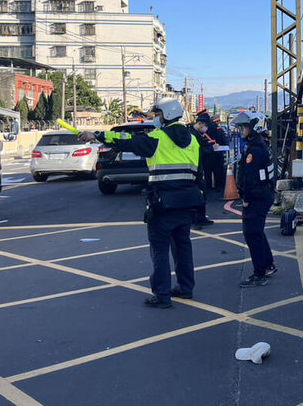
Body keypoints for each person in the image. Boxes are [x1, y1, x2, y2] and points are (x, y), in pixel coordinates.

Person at [79, 97, 203, 308]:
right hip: (187, 201)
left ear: (165, 115)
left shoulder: (157, 138)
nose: (154, 118)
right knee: (183, 246)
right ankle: (185, 287)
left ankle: (162, 295)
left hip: (163, 203)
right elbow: (199, 172)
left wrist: (96, 135)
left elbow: (125, 140)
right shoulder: (193, 140)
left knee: (160, 249)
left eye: (157, 114)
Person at [234, 111, 277, 287]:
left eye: (244, 127)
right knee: (257, 232)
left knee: (251, 234)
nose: (241, 130)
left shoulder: (255, 151)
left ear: (253, 129)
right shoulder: (259, 146)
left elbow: (250, 179)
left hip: (257, 197)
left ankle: (260, 273)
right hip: (264, 194)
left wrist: (246, 198)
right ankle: (267, 265)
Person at [190, 117, 216, 228]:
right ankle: (195, 220)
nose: (205, 128)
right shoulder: (192, 135)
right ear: (199, 124)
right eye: (205, 126)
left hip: (199, 169)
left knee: (202, 194)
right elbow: (199, 152)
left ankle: (201, 218)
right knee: (197, 195)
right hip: (194, 169)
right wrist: (211, 149)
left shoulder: (196, 134)